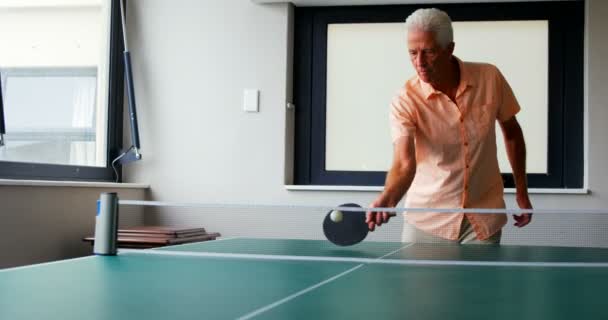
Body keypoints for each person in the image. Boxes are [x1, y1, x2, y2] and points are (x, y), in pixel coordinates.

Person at [366, 8, 532, 244]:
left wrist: (522, 193)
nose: (419, 62)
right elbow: (404, 162)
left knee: (482, 283)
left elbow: (512, 134)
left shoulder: (490, 77)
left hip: (483, 219)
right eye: (412, 53)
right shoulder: (405, 99)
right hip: (427, 221)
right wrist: (388, 198)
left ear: (450, 49)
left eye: (429, 52)